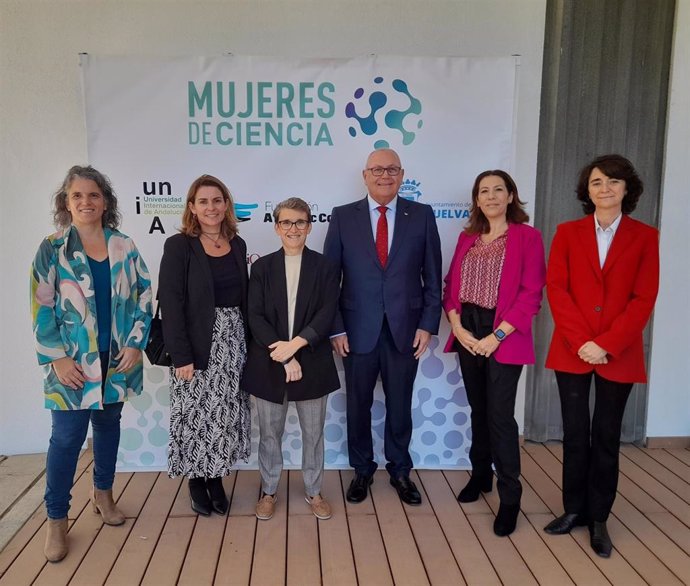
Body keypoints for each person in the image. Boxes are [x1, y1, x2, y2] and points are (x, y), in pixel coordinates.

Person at [31, 165, 152, 562]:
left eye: (93, 195)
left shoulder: (125, 245)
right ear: (66, 202)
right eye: (77, 196)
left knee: (108, 426)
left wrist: (136, 344)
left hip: (116, 361)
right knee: (66, 439)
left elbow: (143, 298)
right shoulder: (52, 248)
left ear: (105, 201)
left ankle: (103, 494)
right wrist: (59, 358)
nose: (86, 202)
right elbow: (41, 306)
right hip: (71, 364)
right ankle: (56, 519)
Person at [543, 154, 659, 558]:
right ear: (586, 190)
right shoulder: (567, 232)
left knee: (606, 436)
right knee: (575, 434)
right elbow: (556, 289)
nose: (604, 188)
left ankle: (599, 518)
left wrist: (606, 343)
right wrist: (581, 342)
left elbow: (644, 298)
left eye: (613, 181)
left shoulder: (645, 237)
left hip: (618, 352)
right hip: (573, 349)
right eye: (596, 182)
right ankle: (573, 510)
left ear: (627, 189)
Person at [323, 148, 442, 505]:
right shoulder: (343, 217)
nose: (384, 175)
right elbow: (331, 279)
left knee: (400, 405)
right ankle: (362, 470)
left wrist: (428, 324)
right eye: (377, 169)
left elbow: (432, 277)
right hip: (357, 330)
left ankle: (400, 470)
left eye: (391, 169)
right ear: (365, 175)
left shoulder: (421, 215)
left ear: (402, 174)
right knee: (357, 405)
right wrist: (336, 328)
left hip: (406, 329)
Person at [442, 170, 545, 536]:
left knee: (501, 416)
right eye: (483, 191)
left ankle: (510, 497)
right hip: (468, 330)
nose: (490, 197)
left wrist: (496, 336)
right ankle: (481, 476)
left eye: (498, 190)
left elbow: (531, 294)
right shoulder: (467, 237)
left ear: (511, 195)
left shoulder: (527, 237)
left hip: (504, 335)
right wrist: (457, 326)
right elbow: (451, 286)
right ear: (476, 199)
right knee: (479, 410)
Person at [158, 174, 251, 516]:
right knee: (196, 413)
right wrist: (180, 354)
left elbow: (244, 297)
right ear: (192, 208)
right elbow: (171, 301)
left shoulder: (237, 244)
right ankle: (197, 479)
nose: (210, 207)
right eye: (203, 201)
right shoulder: (179, 245)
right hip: (197, 342)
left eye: (216, 200)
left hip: (234, 341)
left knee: (223, 413)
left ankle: (216, 478)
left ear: (226, 204)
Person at [243, 198, 340, 521]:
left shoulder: (326, 266)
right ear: (276, 227)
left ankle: (314, 490)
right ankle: (268, 490)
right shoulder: (262, 267)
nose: (293, 229)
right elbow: (254, 316)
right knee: (270, 434)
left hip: (312, 359)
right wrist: (283, 356)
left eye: (300, 222)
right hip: (269, 361)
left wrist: (296, 346)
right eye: (286, 222)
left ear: (310, 226)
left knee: (314, 434)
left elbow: (328, 313)